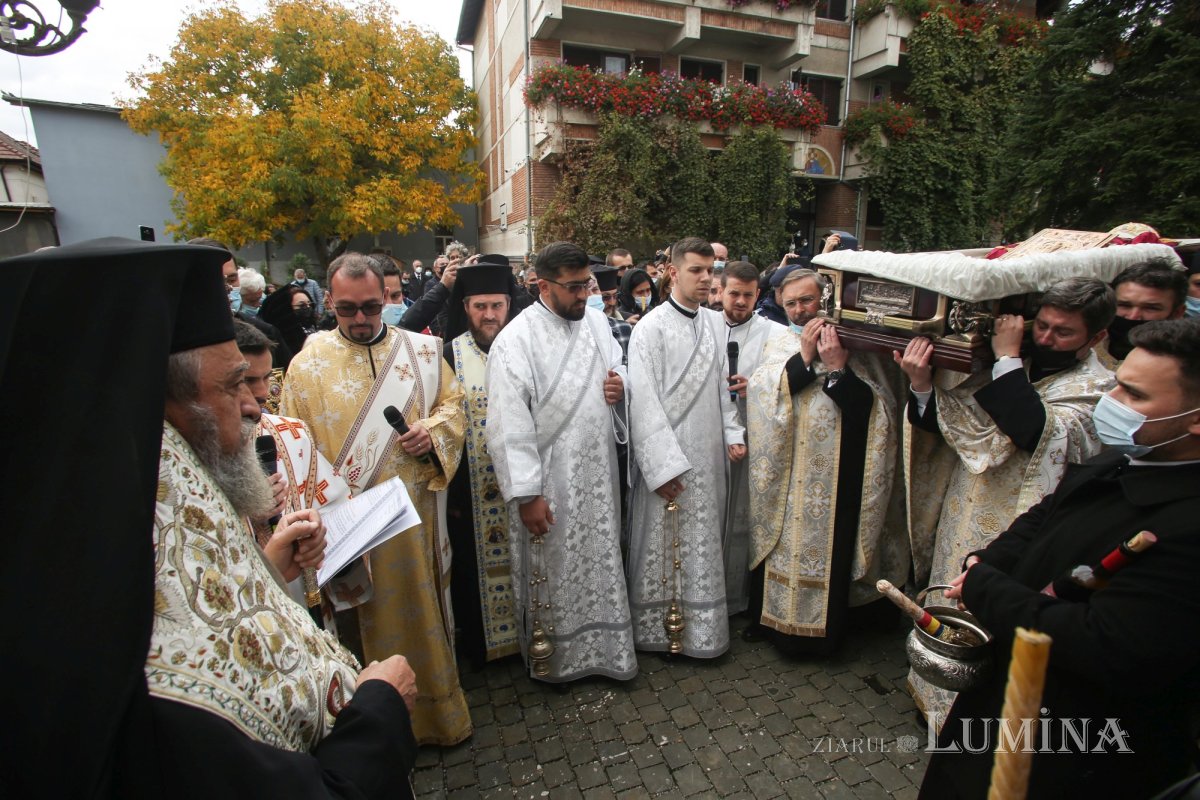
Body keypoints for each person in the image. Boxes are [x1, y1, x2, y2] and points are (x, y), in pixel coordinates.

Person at [2, 237, 418, 798]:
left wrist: (268, 570)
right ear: (153, 403)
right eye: (231, 385)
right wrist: (379, 709)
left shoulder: (148, 507)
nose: (255, 406)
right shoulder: (127, 677)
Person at [919, 318, 1200, 799]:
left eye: (1135, 397)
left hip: (1073, 741)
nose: (1112, 404)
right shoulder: (1124, 458)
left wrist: (988, 588)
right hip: (1008, 696)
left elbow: (1105, 645)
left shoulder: (1187, 528)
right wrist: (985, 561)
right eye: (1116, 386)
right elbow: (1043, 516)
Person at [897, 276, 1117, 720]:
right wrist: (921, 383)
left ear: (1096, 336)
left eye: (1063, 332)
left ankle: (971, 713)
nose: (1048, 338)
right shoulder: (1017, 367)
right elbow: (951, 426)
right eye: (1044, 326)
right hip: (966, 508)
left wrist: (1008, 358)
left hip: (1019, 523)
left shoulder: (1099, 388)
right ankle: (934, 697)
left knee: (993, 613)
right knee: (950, 595)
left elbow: (1034, 431)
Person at [280, 252, 472, 746]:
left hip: (412, 527)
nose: (362, 319)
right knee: (356, 624)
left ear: (387, 296)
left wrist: (432, 434)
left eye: (372, 305)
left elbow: (455, 408)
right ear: (331, 303)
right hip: (347, 532)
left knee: (420, 609)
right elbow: (291, 445)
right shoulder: (306, 366)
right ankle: (372, 735)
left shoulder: (424, 354)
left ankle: (434, 719)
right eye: (347, 310)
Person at [484, 241, 637, 683]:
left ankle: (607, 652)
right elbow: (507, 427)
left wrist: (619, 385)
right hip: (550, 480)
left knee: (600, 560)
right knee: (556, 569)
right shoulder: (516, 340)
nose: (585, 295)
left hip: (598, 471)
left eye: (586, 284)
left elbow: (618, 364)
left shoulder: (594, 322)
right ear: (542, 285)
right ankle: (558, 661)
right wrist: (528, 495)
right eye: (573, 288)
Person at [746, 270, 905, 654]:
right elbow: (761, 392)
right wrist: (803, 357)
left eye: (808, 300)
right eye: (791, 304)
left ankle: (825, 635)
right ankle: (776, 628)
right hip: (788, 474)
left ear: (827, 299)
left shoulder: (858, 347)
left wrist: (837, 367)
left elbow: (877, 408)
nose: (801, 310)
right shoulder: (780, 341)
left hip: (838, 474)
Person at [626, 237, 745, 658]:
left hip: (708, 457)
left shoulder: (714, 324)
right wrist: (661, 467)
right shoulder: (650, 328)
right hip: (669, 463)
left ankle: (704, 633)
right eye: (696, 270)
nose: (705, 279)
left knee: (702, 543)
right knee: (663, 542)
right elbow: (642, 401)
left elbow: (721, 390)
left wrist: (733, 434)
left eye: (710, 271)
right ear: (673, 272)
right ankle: (660, 632)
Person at [235, 320, 370, 634]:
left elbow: (335, 504)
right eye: (245, 380)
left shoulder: (290, 432)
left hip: (305, 598)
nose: (261, 393)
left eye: (266, 378)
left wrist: (322, 540)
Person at [442, 263, 521, 668]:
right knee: (474, 573)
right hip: (471, 491)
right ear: (466, 307)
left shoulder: (524, 348)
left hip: (522, 486)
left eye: (497, 305)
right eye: (480, 306)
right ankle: (483, 648)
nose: (489, 315)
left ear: (509, 305)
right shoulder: (448, 355)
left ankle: (528, 637)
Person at [719, 261, 787, 616]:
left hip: (756, 436)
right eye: (734, 293)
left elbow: (790, 380)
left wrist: (756, 387)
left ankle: (739, 599)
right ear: (721, 291)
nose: (741, 301)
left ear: (758, 294)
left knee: (743, 518)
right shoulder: (707, 327)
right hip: (713, 434)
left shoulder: (775, 332)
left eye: (748, 294)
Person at [1098, 259, 1186, 365]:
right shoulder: (1088, 342)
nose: (1133, 317)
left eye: (1151, 308)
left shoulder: (1187, 359)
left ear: (1177, 313)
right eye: (1124, 305)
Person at [259, 284, 318, 357]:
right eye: (301, 305)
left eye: (309, 304)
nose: (308, 307)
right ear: (287, 309)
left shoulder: (313, 328)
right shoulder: (283, 338)